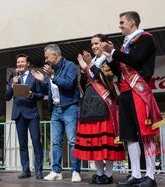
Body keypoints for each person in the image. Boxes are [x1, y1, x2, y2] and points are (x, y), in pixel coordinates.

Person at [102, 11, 164, 187]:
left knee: (145, 134)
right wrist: (109, 56)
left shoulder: (145, 38)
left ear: (131, 22)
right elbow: (118, 71)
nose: (119, 25)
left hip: (139, 92)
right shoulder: (125, 45)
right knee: (129, 136)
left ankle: (150, 176)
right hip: (125, 93)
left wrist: (114, 51)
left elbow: (135, 60)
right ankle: (136, 174)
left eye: (122, 22)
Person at [73, 34, 126, 185]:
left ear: (103, 44)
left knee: (106, 142)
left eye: (97, 43)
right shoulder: (94, 61)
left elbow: (106, 78)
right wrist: (84, 70)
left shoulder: (109, 59)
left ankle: (108, 174)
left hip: (104, 104)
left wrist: (89, 65)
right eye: (92, 44)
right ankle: (100, 173)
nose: (94, 46)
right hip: (89, 104)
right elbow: (84, 84)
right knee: (94, 142)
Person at [31, 44, 81, 183]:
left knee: (72, 141)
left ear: (55, 54)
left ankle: (75, 171)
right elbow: (50, 87)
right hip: (56, 109)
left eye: (47, 56)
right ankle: (56, 171)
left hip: (70, 107)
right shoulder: (50, 70)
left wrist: (51, 76)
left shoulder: (69, 66)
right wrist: (43, 80)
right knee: (55, 142)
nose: (46, 59)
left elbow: (69, 84)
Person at [4, 54, 44, 180]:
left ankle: (38, 170)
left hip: (32, 114)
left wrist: (32, 95)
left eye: (22, 62)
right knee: (22, 144)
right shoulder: (14, 78)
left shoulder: (33, 78)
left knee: (36, 142)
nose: (20, 64)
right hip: (18, 114)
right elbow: (6, 97)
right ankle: (25, 170)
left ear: (28, 63)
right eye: (18, 62)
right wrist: (12, 85)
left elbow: (41, 95)